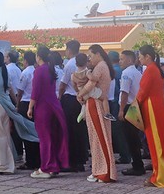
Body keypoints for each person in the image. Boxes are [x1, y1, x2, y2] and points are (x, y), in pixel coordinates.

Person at [0, 51, 38, 175]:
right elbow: (11, 90)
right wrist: (14, 103)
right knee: (5, 135)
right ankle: (7, 163)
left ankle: (1, 165)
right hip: (6, 104)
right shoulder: (4, 73)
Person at [137, 45, 164, 188]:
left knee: (156, 143)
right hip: (158, 106)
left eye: (140, 57)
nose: (139, 59)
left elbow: (143, 91)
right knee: (163, 142)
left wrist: (135, 105)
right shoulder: (157, 69)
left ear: (147, 56)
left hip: (152, 108)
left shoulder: (150, 70)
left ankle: (160, 177)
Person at [78, 44, 117, 183]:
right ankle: (102, 171)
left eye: (91, 55)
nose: (90, 59)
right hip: (99, 103)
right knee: (101, 138)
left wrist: (80, 94)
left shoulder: (100, 66)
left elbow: (91, 84)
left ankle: (102, 172)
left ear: (98, 54)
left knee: (98, 138)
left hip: (96, 104)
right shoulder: (104, 66)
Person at [28, 46, 69, 179]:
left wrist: (30, 107)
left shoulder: (39, 70)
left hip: (43, 107)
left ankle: (46, 167)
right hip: (53, 105)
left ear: (38, 56)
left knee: (44, 138)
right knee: (52, 137)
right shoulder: (51, 69)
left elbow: (35, 91)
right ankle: (53, 165)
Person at [59, 39, 88, 172]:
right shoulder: (83, 63)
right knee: (80, 130)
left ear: (69, 50)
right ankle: (81, 160)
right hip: (81, 99)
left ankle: (72, 161)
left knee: (70, 130)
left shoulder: (69, 64)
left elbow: (63, 84)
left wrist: (59, 97)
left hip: (70, 99)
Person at [119, 49, 145, 176]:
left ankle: (137, 166)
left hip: (129, 106)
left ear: (129, 60)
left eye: (122, 59)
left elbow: (125, 92)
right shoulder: (137, 72)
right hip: (136, 105)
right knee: (134, 137)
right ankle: (138, 164)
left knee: (131, 138)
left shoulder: (126, 73)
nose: (120, 61)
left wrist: (121, 110)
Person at [16, 51, 39, 171]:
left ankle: (30, 161)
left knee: (27, 133)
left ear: (25, 60)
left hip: (26, 104)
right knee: (35, 132)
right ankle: (38, 159)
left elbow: (20, 91)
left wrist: (17, 104)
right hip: (36, 104)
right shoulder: (36, 71)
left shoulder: (25, 72)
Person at [5, 50, 24, 163]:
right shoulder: (18, 69)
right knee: (17, 126)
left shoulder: (7, 69)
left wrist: (15, 101)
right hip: (19, 96)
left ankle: (15, 152)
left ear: (8, 57)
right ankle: (19, 152)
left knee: (11, 126)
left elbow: (10, 87)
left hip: (12, 97)